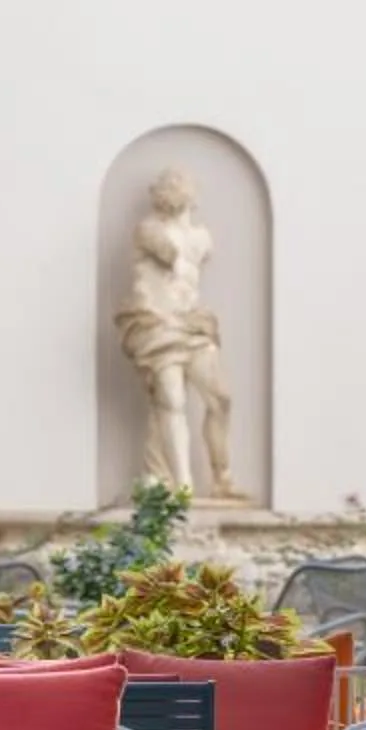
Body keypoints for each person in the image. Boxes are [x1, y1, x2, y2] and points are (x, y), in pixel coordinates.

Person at [114, 169, 238, 497]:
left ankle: (222, 477)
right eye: (167, 187)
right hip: (157, 323)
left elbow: (194, 253)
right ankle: (183, 486)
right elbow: (170, 255)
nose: (172, 193)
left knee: (220, 397)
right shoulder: (149, 230)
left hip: (190, 323)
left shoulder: (201, 237)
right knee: (171, 400)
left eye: (179, 186)